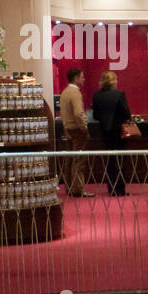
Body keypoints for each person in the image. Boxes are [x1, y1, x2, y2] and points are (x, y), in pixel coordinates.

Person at [91, 70, 132, 196]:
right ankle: (120, 189)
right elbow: (127, 113)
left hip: (104, 131)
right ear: (114, 81)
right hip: (118, 130)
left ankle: (111, 188)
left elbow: (95, 115)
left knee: (110, 159)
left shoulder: (96, 95)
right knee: (120, 159)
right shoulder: (119, 94)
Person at [59, 67, 93, 198]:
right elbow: (79, 113)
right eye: (82, 77)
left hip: (67, 129)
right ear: (76, 78)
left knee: (69, 161)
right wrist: (84, 127)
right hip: (77, 131)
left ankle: (69, 188)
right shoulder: (75, 93)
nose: (83, 79)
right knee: (79, 161)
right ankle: (79, 189)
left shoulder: (64, 92)